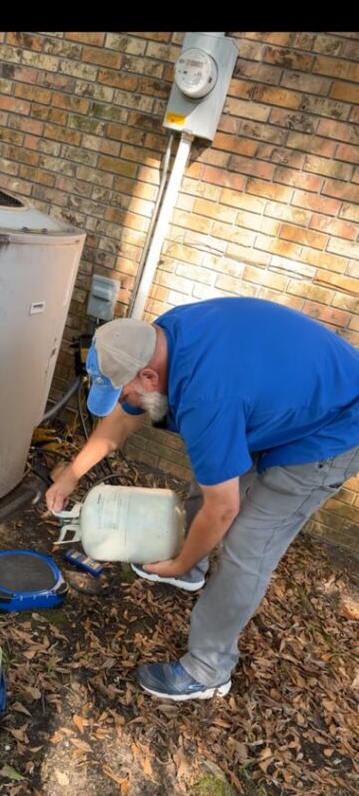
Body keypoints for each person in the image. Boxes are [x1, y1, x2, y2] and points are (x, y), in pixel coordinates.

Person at [46, 297, 359, 702]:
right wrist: (71, 475)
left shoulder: (207, 398)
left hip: (335, 427)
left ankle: (208, 669)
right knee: (215, 471)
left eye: (128, 391)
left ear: (147, 375)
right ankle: (189, 571)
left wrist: (179, 558)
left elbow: (223, 508)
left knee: (248, 545)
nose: (128, 400)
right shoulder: (158, 337)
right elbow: (122, 419)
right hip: (282, 402)